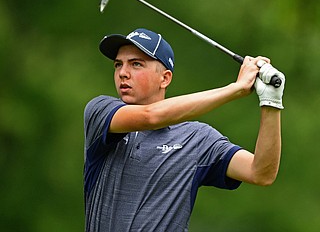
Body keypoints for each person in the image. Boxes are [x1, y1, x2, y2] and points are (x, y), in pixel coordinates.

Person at [83, 28, 285, 232]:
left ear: (165, 78)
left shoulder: (197, 139)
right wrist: (235, 88)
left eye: (136, 64)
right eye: (118, 64)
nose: (123, 73)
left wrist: (271, 102)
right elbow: (150, 116)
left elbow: (261, 173)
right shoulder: (100, 111)